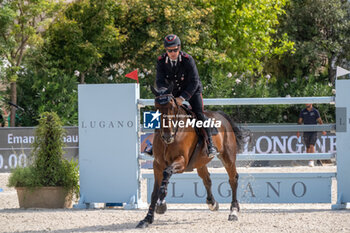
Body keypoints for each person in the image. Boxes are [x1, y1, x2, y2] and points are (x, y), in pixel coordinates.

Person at [155, 34, 218, 158]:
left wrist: (182, 98)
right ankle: (155, 146)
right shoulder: (161, 61)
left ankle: (210, 145)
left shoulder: (187, 59)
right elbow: (160, 81)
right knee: (162, 113)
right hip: (172, 92)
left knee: (199, 114)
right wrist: (165, 93)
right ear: (166, 50)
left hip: (192, 91)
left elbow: (194, 81)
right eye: (169, 50)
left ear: (179, 47)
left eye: (175, 50)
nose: (172, 53)